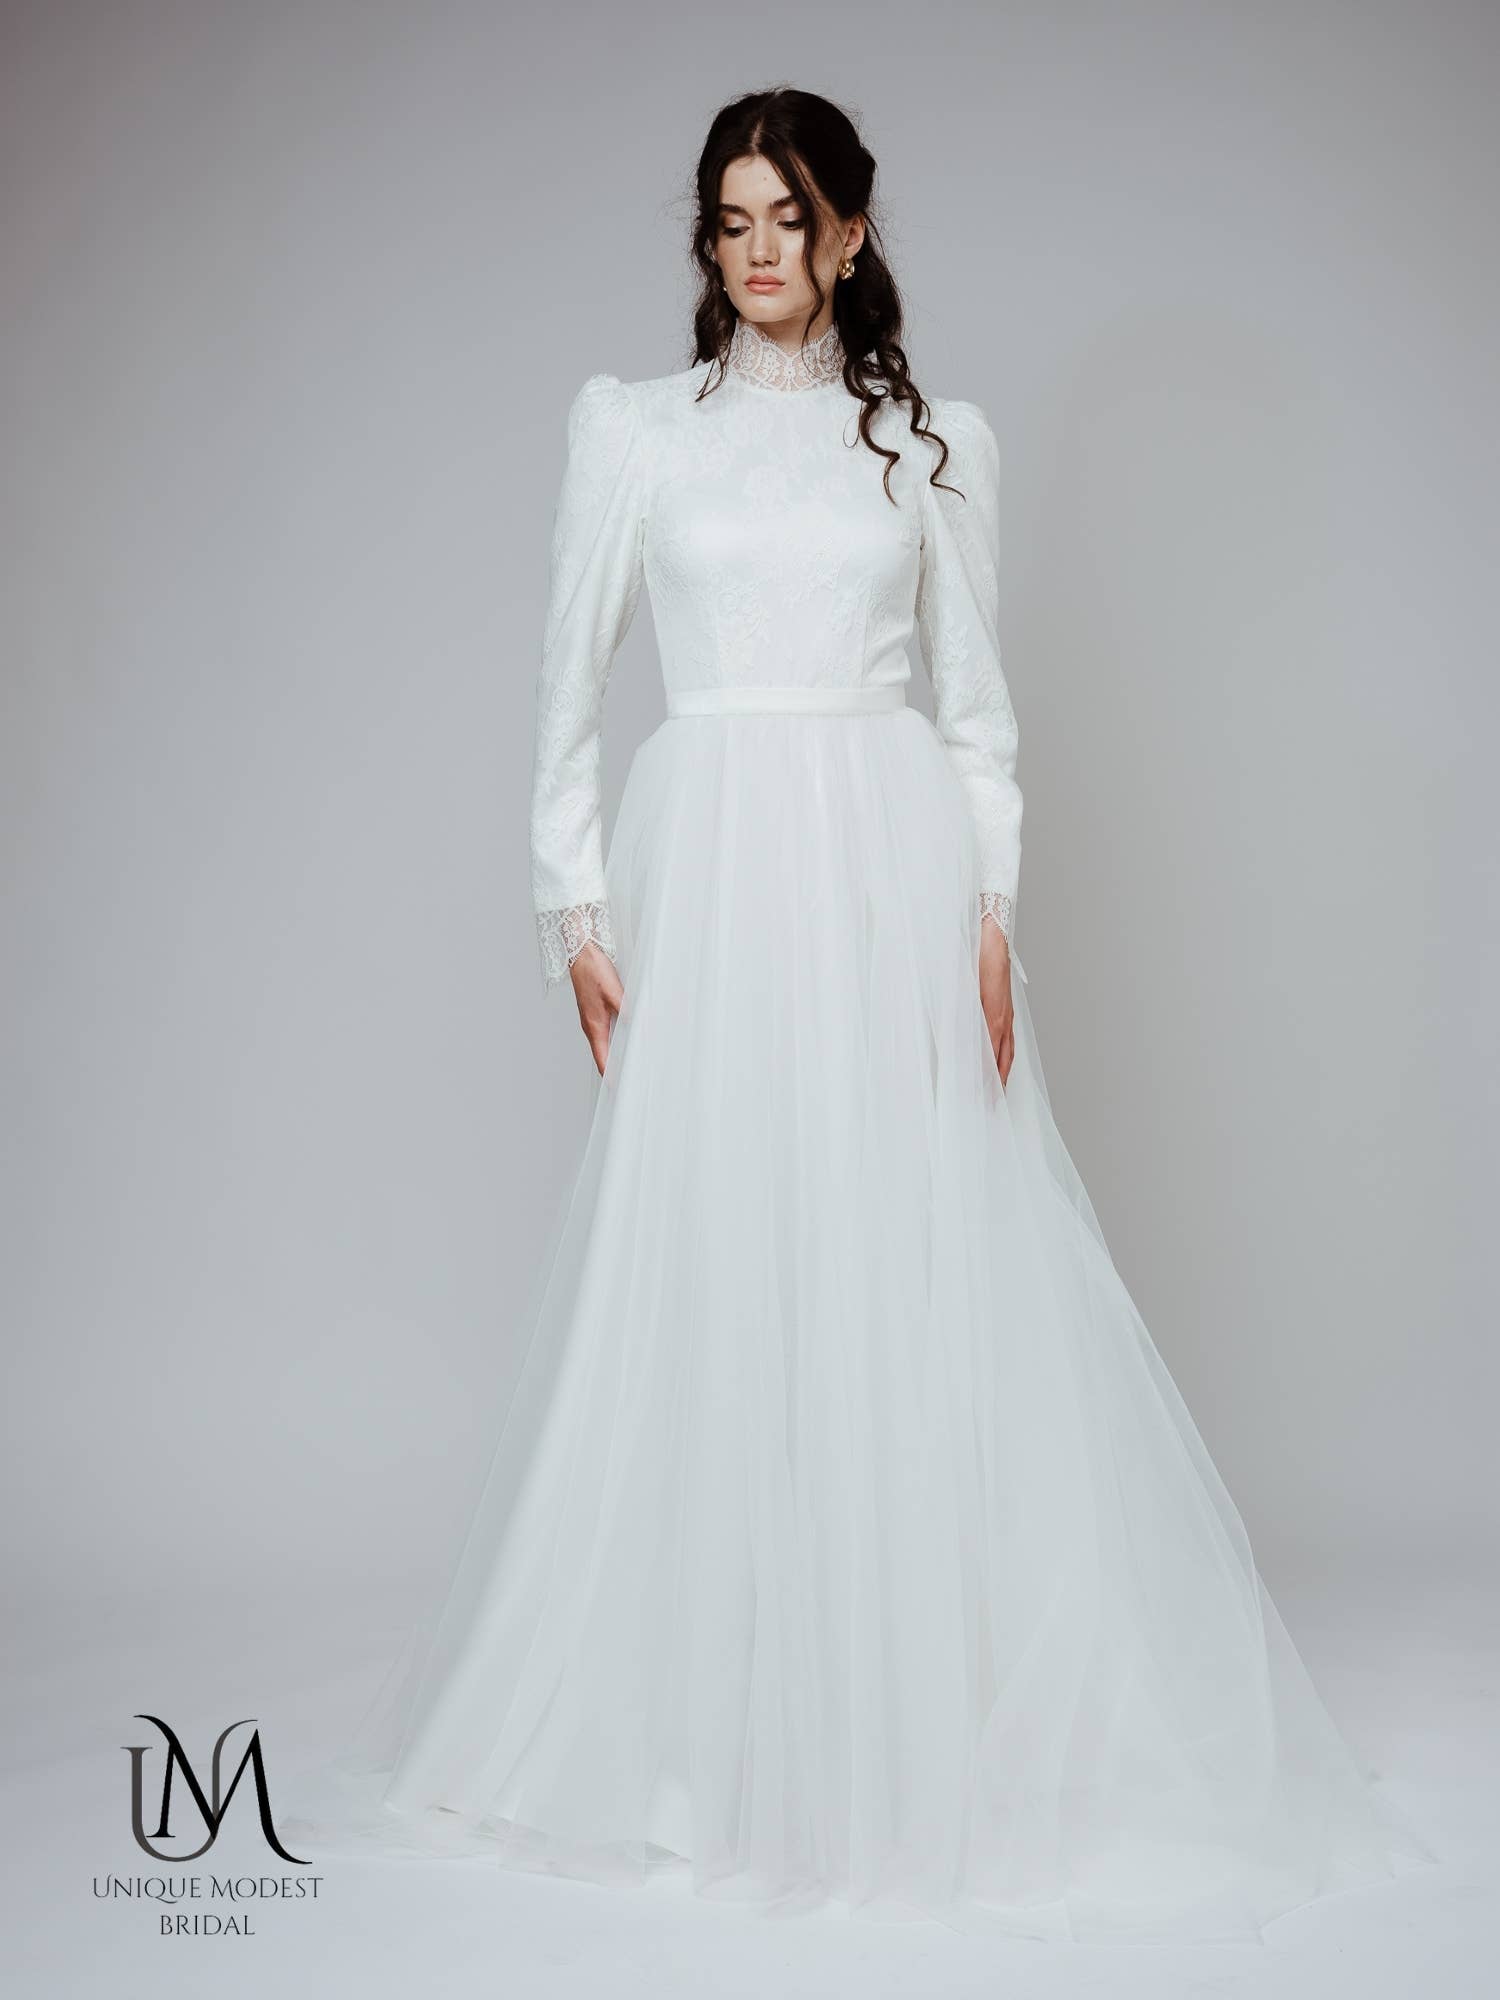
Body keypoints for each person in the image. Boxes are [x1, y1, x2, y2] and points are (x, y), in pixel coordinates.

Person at [280, 86, 1434, 1943]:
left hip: (890, 875)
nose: (759, 249)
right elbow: (566, 685)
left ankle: (907, 1714)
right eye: (730, 218)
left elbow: (977, 718)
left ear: (851, 232)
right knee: (717, 1262)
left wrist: (991, 914)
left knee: (902, 1268)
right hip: (710, 871)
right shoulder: (633, 431)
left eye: (790, 216)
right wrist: (570, 907)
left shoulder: (937, 445)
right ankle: (707, 1730)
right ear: (708, 239)